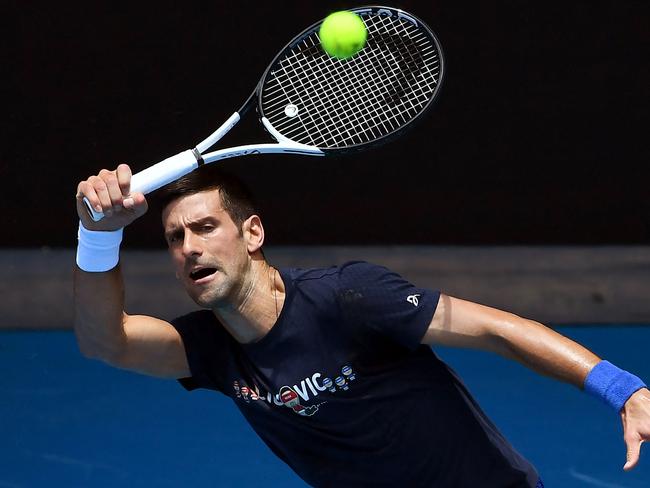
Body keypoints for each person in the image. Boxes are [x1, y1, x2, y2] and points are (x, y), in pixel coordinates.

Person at [74, 163, 650, 487]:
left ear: (252, 234)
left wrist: (622, 390)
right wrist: (99, 235)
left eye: (204, 228)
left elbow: (498, 329)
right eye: (174, 238)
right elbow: (107, 341)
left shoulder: (350, 297)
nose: (188, 248)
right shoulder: (210, 349)